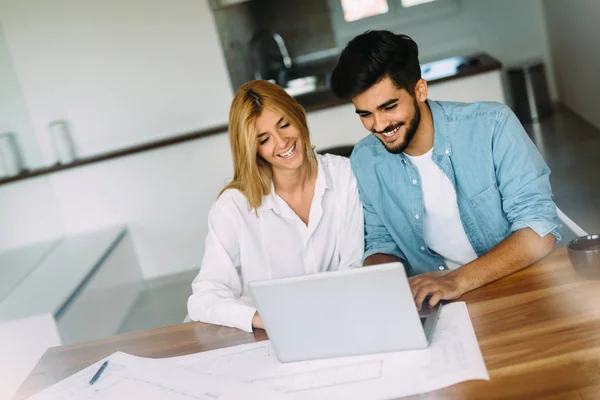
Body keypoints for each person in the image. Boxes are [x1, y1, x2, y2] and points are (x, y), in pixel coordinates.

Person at [330, 30, 560, 310]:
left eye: (388, 107)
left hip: (515, 286)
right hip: (434, 302)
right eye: (365, 114)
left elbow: (539, 230)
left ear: (419, 91)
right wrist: (387, 286)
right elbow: (382, 241)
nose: (378, 125)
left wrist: (456, 281)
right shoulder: (366, 159)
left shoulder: (492, 126)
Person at [187, 80, 364, 332]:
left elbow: (354, 264)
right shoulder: (233, 206)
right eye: (264, 139)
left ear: (298, 116)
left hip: (343, 320)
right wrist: (262, 318)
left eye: (285, 125)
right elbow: (204, 297)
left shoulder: (345, 175)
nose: (282, 142)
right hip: (271, 337)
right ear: (252, 148)